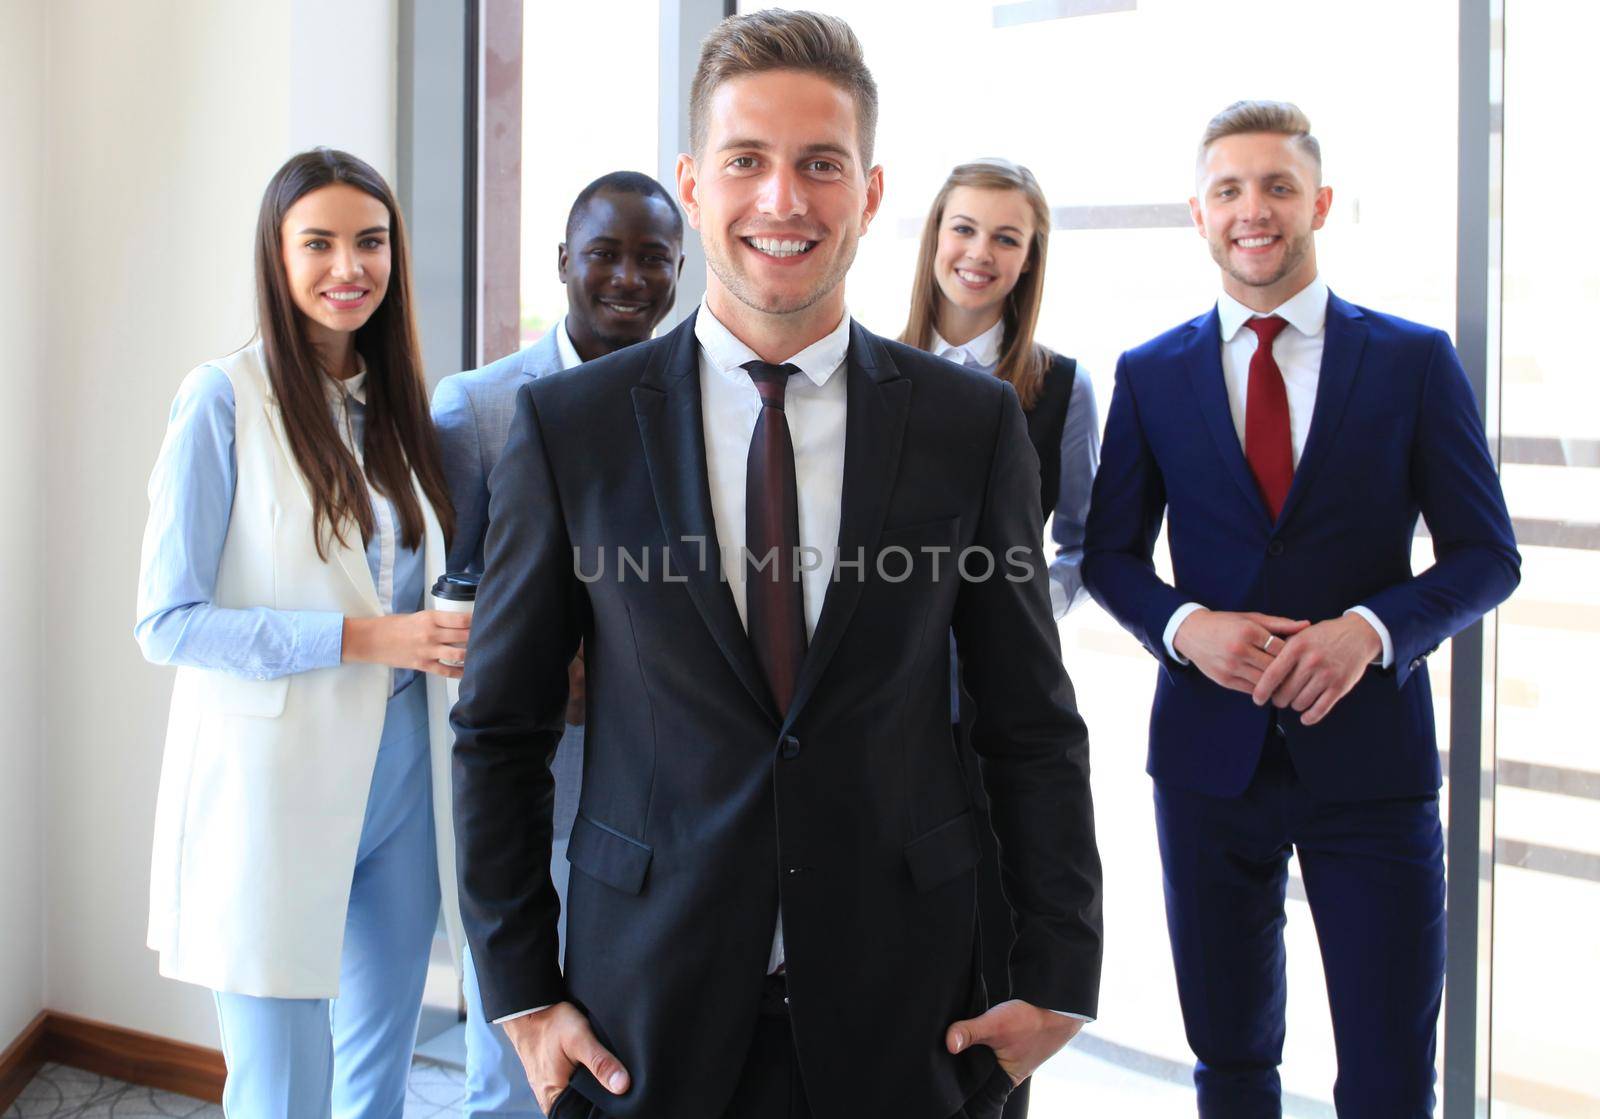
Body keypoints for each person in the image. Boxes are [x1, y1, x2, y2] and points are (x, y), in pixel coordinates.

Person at [451, 10, 1102, 1119]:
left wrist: (1058, 973)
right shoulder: (570, 429)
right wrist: (518, 992)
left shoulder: (970, 426)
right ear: (695, 183)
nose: (783, 200)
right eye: (747, 161)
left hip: (912, 1008)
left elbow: (1029, 721)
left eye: (820, 165)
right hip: (639, 1004)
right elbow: (500, 729)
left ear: (872, 190)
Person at [1083, 101, 1520, 1117]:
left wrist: (1368, 633)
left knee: (1385, 1074)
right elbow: (1107, 554)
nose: (1254, 210)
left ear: (1317, 201)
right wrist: (1187, 627)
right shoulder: (1152, 374)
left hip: (1370, 767)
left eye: (1277, 186)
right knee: (1229, 1063)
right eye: (1229, 189)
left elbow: (1485, 557)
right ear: (1199, 213)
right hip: (1207, 768)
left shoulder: (1412, 361)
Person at [137, 148, 467, 1118]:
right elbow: (168, 621)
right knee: (283, 1090)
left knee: (377, 1074)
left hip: (405, 768)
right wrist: (361, 641)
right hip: (274, 785)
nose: (348, 266)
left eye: (370, 242)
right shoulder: (221, 399)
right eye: (317, 242)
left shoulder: (405, 409)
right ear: (276, 258)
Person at [431, 169, 684, 1119]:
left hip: (658, 778)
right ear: (564, 264)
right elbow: (455, 605)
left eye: (652, 258)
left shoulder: (698, 403)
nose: (628, 277)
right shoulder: (478, 408)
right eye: (605, 255)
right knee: (515, 1037)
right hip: (532, 764)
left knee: (624, 1043)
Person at [900, 157, 1100, 1119]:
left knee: (988, 932)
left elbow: (1082, 545)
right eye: (964, 229)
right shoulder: (863, 367)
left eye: (1006, 238)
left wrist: (1010, 615)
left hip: (988, 705)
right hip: (881, 699)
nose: (980, 253)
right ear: (933, 237)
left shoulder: (1058, 390)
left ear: (1029, 261)